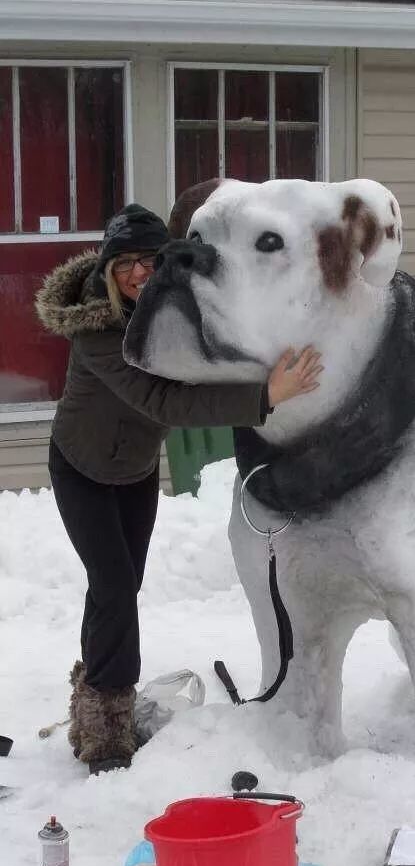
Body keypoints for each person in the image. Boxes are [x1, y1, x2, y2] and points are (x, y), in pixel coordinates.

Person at [36, 204, 322, 775]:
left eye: (150, 260)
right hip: (82, 468)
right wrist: (267, 396)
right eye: (127, 265)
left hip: (135, 469)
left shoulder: (167, 315)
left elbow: (209, 361)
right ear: (110, 270)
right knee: (115, 586)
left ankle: (95, 687)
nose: (139, 273)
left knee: (119, 584)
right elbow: (162, 401)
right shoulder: (97, 332)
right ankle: (106, 727)